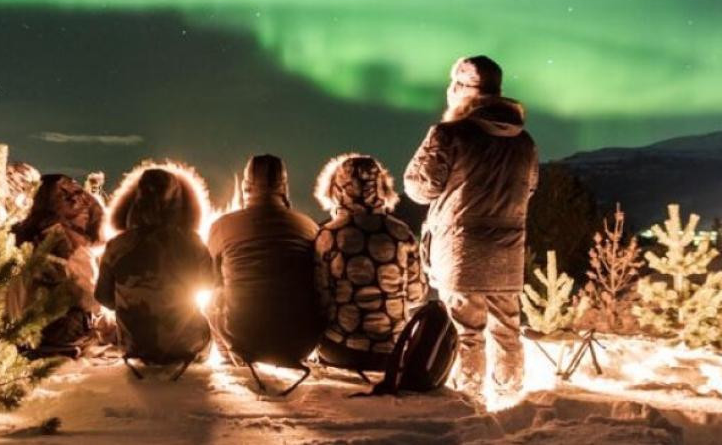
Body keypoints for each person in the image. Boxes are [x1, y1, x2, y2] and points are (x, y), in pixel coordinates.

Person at [404, 55, 539, 396]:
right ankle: (510, 396)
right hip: (508, 250)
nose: (449, 91)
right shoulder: (525, 142)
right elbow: (531, 188)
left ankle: (468, 398)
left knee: (465, 331)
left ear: (464, 89)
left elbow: (420, 188)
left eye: (454, 84)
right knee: (508, 329)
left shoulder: (448, 134)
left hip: (461, 249)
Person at [207, 154, 325, 369]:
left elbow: (209, 277)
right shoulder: (308, 226)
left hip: (245, 340)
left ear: (245, 186)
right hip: (302, 343)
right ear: (284, 186)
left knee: (212, 295)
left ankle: (229, 357)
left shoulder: (222, 226)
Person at [313, 154, 427, 372]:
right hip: (392, 353)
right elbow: (416, 294)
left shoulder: (329, 235)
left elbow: (320, 297)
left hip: (341, 349)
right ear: (382, 188)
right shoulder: (401, 233)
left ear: (336, 190)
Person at [95, 166, 214, 368]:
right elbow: (208, 286)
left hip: (133, 345)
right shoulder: (193, 243)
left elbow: (103, 297)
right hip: (188, 345)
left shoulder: (116, 246)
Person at [8, 173, 105, 356]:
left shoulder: (20, 232)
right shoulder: (71, 246)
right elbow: (92, 301)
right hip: (51, 332)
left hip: (12, 327)